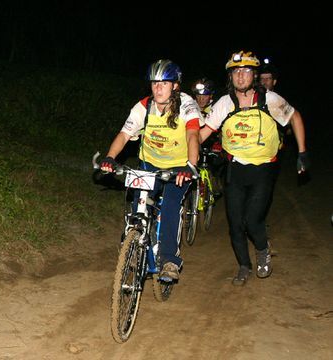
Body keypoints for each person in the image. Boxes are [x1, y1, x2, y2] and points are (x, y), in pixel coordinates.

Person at [199, 50, 309, 286]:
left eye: (246, 71)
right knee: (235, 223)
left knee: (252, 219)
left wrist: (302, 153)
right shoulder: (225, 103)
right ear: (230, 76)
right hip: (234, 169)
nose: (241, 76)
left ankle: (262, 249)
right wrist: (182, 150)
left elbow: (295, 118)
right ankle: (243, 266)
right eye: (236, 72)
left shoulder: (270, 100)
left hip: (262, 169)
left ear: (255, 75)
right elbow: (203, 133)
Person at [100, 59, 202, 281]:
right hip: (150, 164)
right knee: (139, 208)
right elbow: (125, 134)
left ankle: (169, 261)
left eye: (163, 83)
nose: (158, 88)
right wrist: (110, 157)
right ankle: (137, 248)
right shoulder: (143, 106)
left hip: (179, 166)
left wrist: (190, 165)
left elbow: (193, 135)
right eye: (154, 83)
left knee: (170, 206)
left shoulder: (186, 105)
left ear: (175, 85)